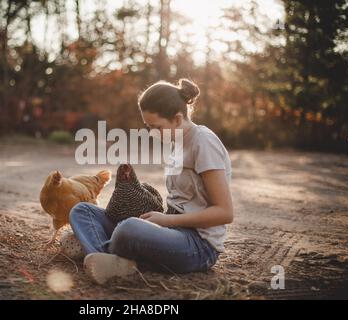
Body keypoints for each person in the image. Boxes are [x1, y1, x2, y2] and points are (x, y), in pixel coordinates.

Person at [69, 78, 234, 284]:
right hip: (169, 231)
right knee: (83, 211)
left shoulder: (204, 142)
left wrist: (166, 221)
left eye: (156, 127)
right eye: (148, 127)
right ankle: (110, 259)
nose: (152, 133)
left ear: (177, 118)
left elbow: (225, 213)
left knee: (129, 228)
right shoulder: (177, 142)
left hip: (198, 246)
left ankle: (96, 249)